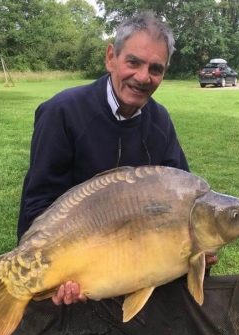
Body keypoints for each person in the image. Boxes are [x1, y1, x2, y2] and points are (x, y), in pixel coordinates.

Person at [17, 12, 218, 307]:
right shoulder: (61, 113)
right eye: (133, 62)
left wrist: (200, 244)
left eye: (156, 68)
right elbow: (37, 206)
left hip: (137, 264)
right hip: (75, 258)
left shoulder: (160, 120)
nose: (142, 77)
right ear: (111, 57)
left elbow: (186, 200)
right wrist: (52, 271)